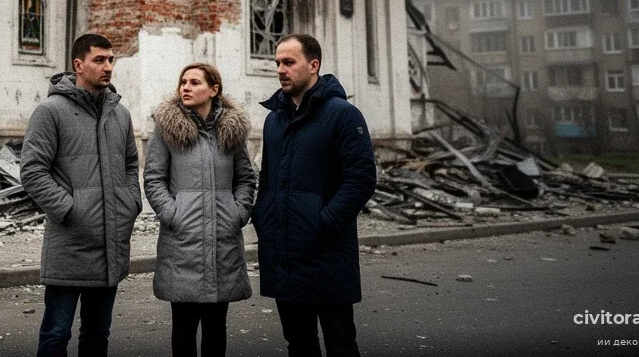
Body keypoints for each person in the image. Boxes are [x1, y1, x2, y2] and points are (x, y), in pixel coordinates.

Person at [252, 34, 377, 357]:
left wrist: (323, 222)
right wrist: (263, 217)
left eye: (289, 62)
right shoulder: (274, 121)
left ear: (314, 65)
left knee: (340, 344)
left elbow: (361, 179)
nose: (281, 69)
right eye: (277, 62)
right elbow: (267, 178)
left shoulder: (343, 115)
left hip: (327, 252)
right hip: (284, 250)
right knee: (299, 343)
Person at [20, 33, 143, 357]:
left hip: (110, 244)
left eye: (111, 60)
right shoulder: (51, 111)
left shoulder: (121, 114)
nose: (108, 67)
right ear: (78, 64)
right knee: (56, 334)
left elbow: (131, 163)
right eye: (99, 60)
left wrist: (131, 202)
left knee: (97, 335)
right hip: (70, 243)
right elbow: (32, 171)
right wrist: (72, 210)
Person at [144, 62, 256, 357]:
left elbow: (245, 177)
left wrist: (238, 211)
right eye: (183, 82)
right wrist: (172, 214)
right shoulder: (167, 129)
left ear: (213, 90)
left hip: (223, 238)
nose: (186, 87)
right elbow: (154, 178)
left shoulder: (231, 131)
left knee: (216, 328)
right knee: (183, 328)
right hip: (182, 241)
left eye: (194, 82)